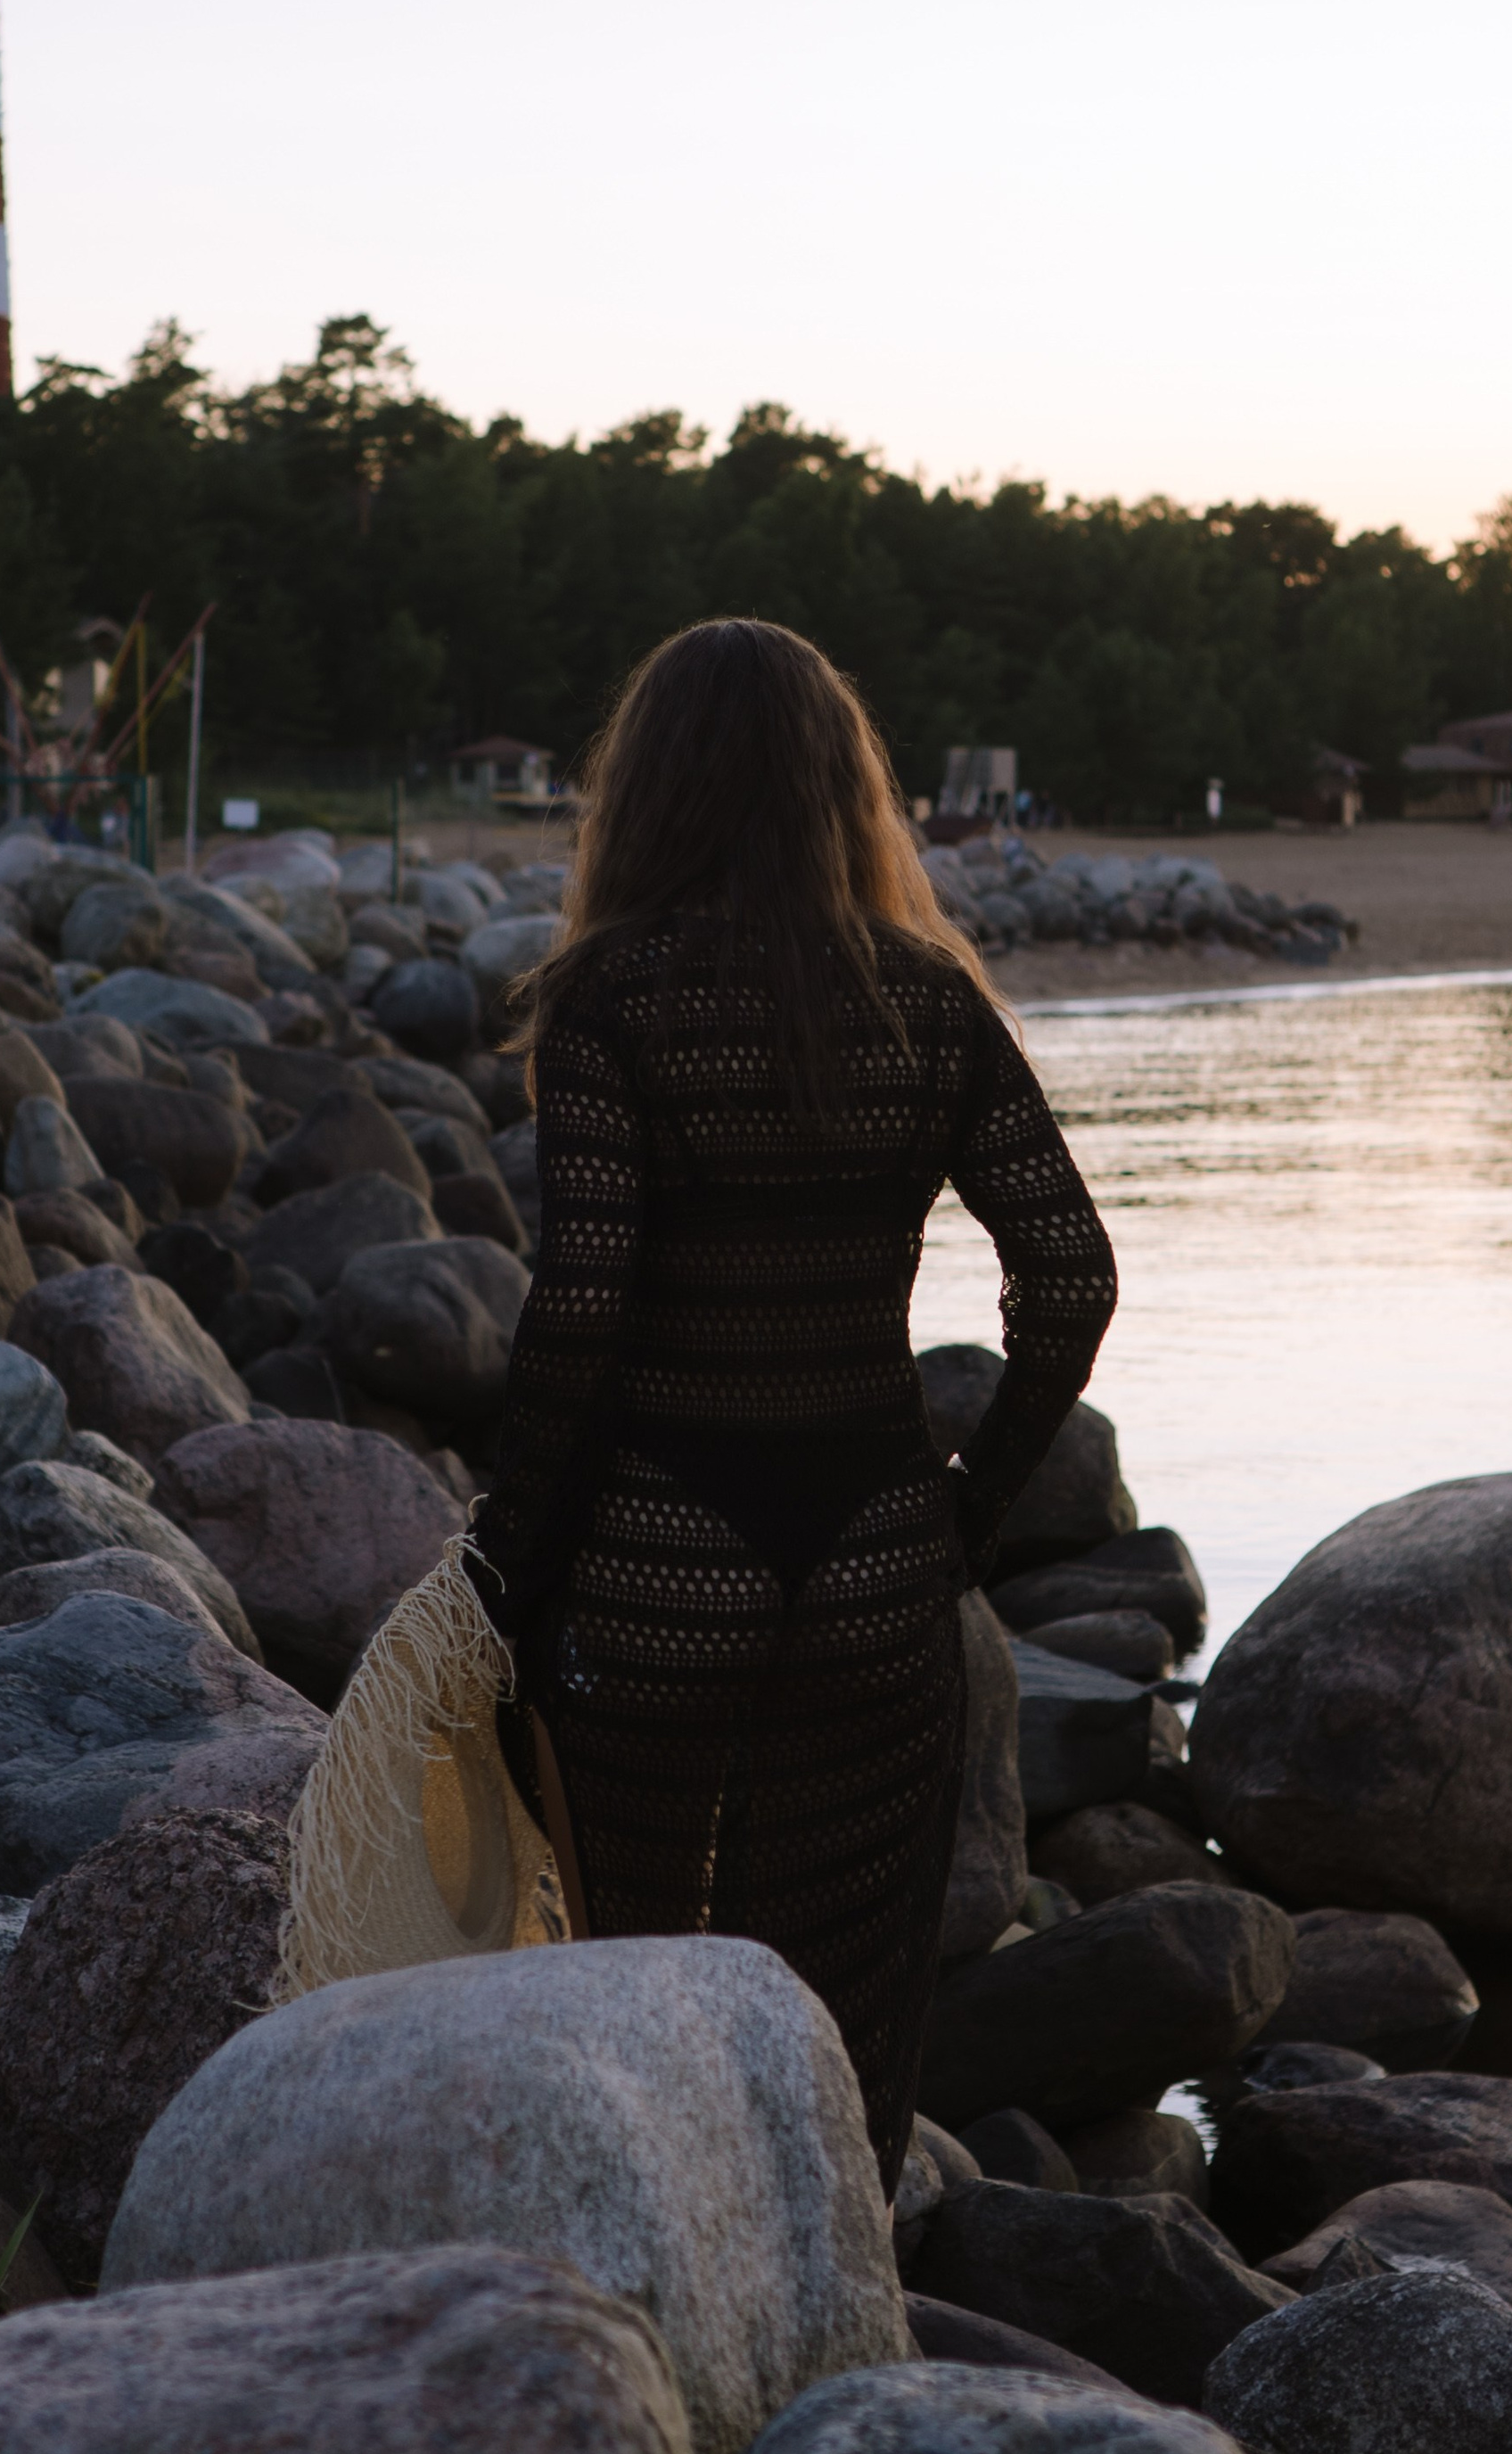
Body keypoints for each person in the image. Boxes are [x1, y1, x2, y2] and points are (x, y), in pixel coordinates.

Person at [466, 620, 1118, 2193]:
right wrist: (964, 1514)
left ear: (650, 792)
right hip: (873, 1566)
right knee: (838, 2017)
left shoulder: (610, 997)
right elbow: (1072, 1280)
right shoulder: (931, 1007)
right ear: (847, 789)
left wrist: (506, 1564)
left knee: (633, 1997)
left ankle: (652, 2299)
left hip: (658, 1562)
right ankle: (824, 2308)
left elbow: (587, 1310)